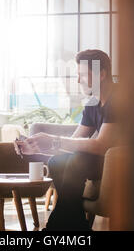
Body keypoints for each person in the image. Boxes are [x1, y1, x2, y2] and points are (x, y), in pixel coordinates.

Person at [15, 49, 118, 231]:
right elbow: (73, 142)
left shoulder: (118, 99)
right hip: (99, 162)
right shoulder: (93, 103)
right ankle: (78, 226)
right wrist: (36, 147)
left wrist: (54, 139)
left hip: (119, 163)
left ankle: (55, 228)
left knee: (78, 159)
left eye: (82, 75)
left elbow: (101, 145)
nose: (79, 81)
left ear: (101, 74)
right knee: (57, 162)